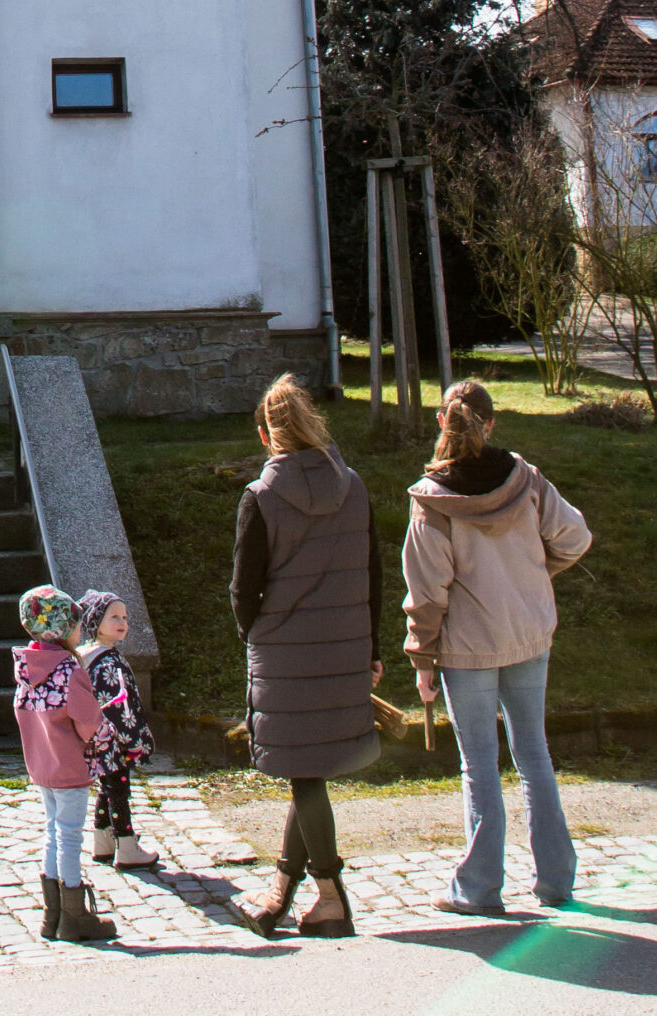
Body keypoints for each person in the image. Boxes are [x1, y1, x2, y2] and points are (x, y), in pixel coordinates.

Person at [403, 378, 591, 914]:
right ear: (490, 423)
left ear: (442, 421)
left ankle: (480, 890)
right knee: (535, 755)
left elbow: (427, 590)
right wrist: (535, 575)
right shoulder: (525, 478)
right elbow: (576, 537)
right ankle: (556, 881)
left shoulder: (432, 500)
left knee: (479, 766)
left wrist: (422, 657)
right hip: (528, 635)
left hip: (467, 649)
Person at [231, 372, 382, 940]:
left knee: (303, 771)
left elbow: (244, 590)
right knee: (309, 769)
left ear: (267, 436)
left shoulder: (261, 497)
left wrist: (257, 635)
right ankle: (280, 893)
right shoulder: (354, 487)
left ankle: (331, 894)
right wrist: (372, 647)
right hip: (345, 644)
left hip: (284, 652)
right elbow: (371, 571)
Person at [12, 584, 118, 944]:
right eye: (76, 624)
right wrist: (107, 740)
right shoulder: (68, 669)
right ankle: (75, 915)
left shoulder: (27, 667)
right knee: (70, 836)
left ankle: (52, 913)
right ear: (61, 629)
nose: (80, 631)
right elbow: (89, 721)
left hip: (42, 765)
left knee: (52, 832)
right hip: (70, 766)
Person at [74, 591, 159, 868]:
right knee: (119, 791)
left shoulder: (87, 657)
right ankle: (126, 845)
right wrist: (132, 741)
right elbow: (119, 709)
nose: (123, 622)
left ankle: (103, 839)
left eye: (124, 617)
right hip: (114, 741)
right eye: (114, 617)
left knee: (107, 786)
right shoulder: (109, 662)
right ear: (95, 622)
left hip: (97, 739)